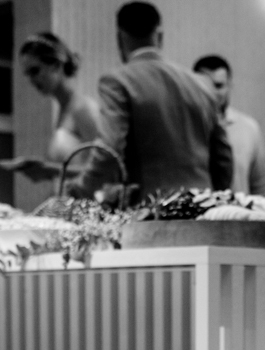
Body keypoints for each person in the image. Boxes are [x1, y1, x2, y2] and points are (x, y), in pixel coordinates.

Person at [67, 1, 233, 202]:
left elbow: (110, 149)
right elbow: (224, 157)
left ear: (119, 38)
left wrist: (81, 188)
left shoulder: (118, 81)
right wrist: (213, 198)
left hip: (152, 207)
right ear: (159, 35)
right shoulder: (202, 84)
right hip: (203, 203)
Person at [14, 32, 102, 183]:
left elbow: (105, 169)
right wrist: (42, 171)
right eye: (28, 74)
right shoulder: (63, 109)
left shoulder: (83, 109)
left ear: (56, 65)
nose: (32, 80)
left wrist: (49, 169)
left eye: (35, 71)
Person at [193, 54, 265, 196]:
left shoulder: (249, 128)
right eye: (205, 85)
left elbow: (259, 187)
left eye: (218, 86)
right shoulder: (186, 128)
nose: (212, 92)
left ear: (229, 86)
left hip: (239, 209)